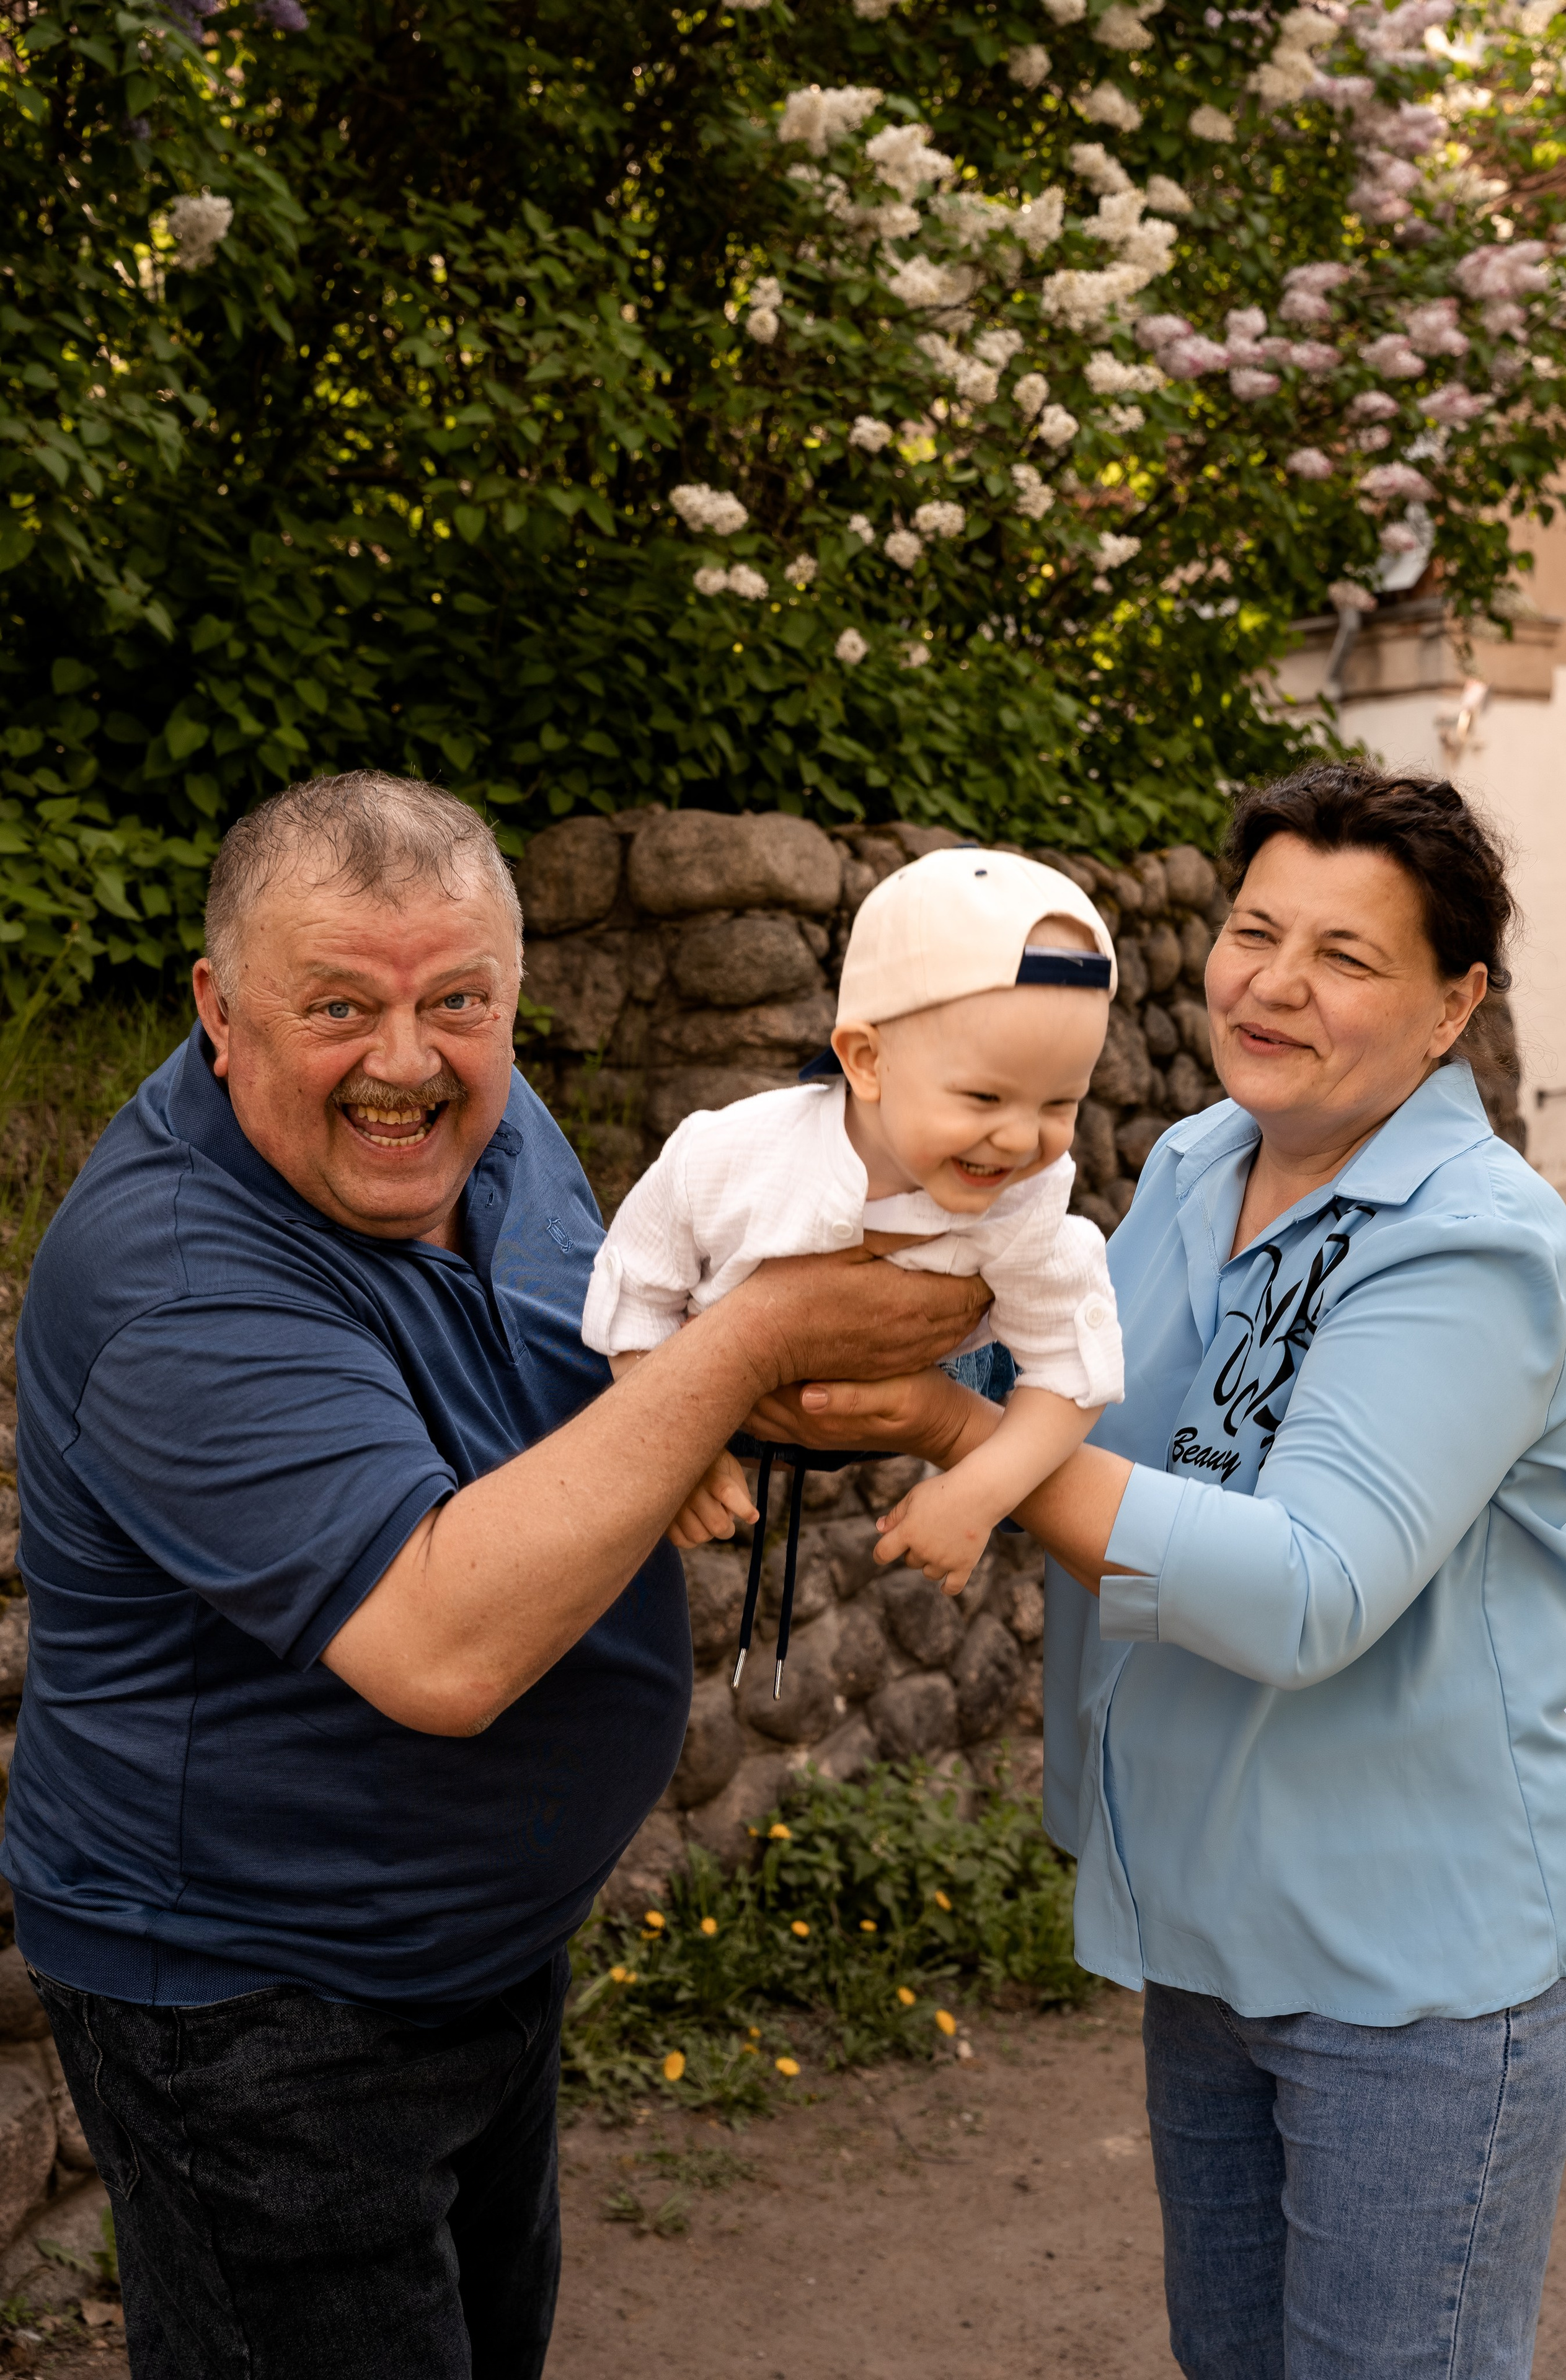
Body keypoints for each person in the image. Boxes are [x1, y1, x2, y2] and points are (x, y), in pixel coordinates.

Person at [0, 771, 986, 2380]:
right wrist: (750, 1346)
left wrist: (827, 1357)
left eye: (458, 1002)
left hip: (480, 1955)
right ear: (220, 1012)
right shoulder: (172, 1278)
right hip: (257, 2004)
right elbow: (440, 1650)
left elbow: (604, 1359)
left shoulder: (492, 1123)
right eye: (338, 1006)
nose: (407, 1062)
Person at [753, 764, 1566, 2379]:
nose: (1271, 983)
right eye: (1254, 930)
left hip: (1411, 1967)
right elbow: (1063, 1389)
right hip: (1205, 1923)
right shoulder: (1206, 1157)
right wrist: (831, 1332)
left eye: (1345, 955)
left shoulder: (1471, 1240)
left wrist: (956, 1435)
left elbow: (1304, 1590)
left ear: (1452, 1006)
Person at [585, 847, 1125, 1589]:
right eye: (984, 1098)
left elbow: (1069, 1367)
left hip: (931, 1397)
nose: (1020, 1139)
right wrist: (675, 1447)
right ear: (866, 1061)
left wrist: (979, 1490)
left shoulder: (1027, 1201)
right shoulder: (728, 1159)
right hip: (709, 1397)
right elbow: (635, 1295)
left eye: (1060, 1103)